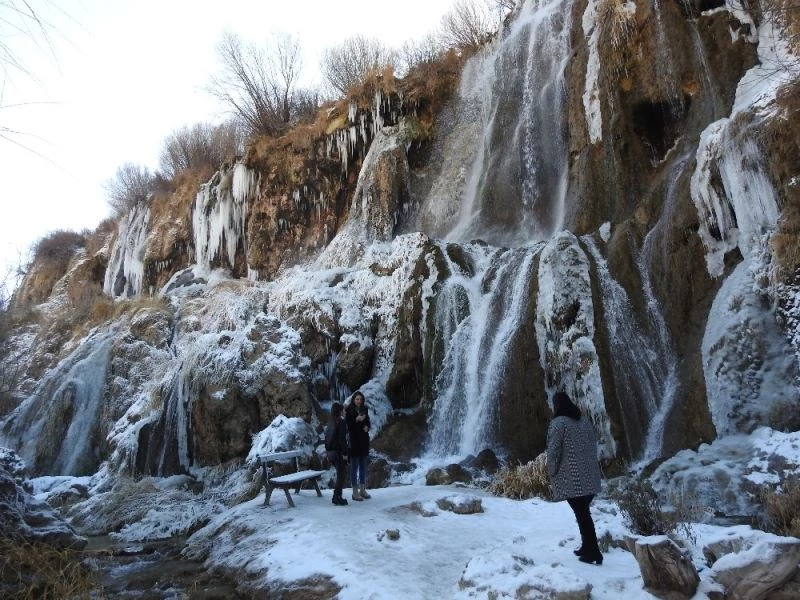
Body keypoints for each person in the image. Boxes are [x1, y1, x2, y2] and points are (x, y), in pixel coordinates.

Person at [546, 391, 603, 565]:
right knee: (582, 513)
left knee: (583, 514)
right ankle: (587, 546)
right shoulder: (584, 422)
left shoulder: (558, 424)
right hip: (590, 477)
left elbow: (554, 450)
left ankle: (594, 552)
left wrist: (552, 470)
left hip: (573, 479)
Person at [345, 391, 371, 501]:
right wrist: (356, 420)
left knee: (363, 466)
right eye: (357, 399)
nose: (359, 401)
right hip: (354, 441)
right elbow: (348, 426)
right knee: (354, 466)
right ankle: (355, 492)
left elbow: (368, 422)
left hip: (364, 441)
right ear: (353, 400)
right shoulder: (348, 410)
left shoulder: (365, 409)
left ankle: (363, 490)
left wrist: (367, 427)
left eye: (360, 399)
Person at [325, 402, 349, 506]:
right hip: (338, 452)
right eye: (343, 410)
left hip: (330, 453)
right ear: (340, 411)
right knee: (341, 475)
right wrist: (345, 453)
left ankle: (337, 496)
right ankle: (337, 497)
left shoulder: (330, 422)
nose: (345, 411)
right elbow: (342, 439)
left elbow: (327, 439)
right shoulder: (341, 422)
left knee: (340, 474)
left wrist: (327, 453)